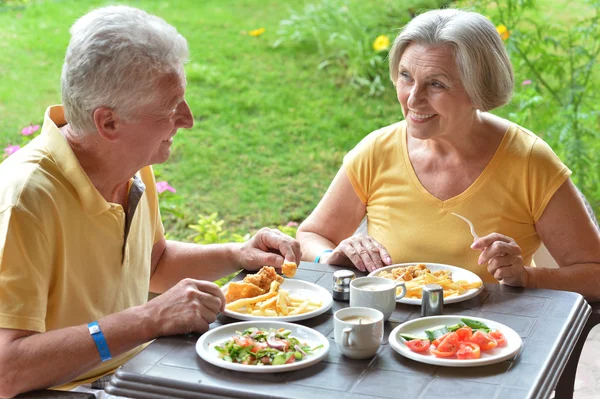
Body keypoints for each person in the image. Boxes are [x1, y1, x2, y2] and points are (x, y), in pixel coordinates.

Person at [0, 6, 301, 398]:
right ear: (109, 123)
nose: (189, 119)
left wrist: (237, 254)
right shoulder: (26, 199)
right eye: (171, 107)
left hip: (135, 371)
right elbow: (7, 370)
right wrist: (148, 319)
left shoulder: (128, 164)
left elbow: (153, 264)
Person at [297, 9, 600, 301]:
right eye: (405, 76)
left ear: (478, 89)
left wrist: (527, 276)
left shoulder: (530, 161)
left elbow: (594, 275)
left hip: (489, 340)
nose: (413, 98)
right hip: (389, 334)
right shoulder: (377, 151)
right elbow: (311, 234)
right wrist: (329, 256)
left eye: (436, 84)